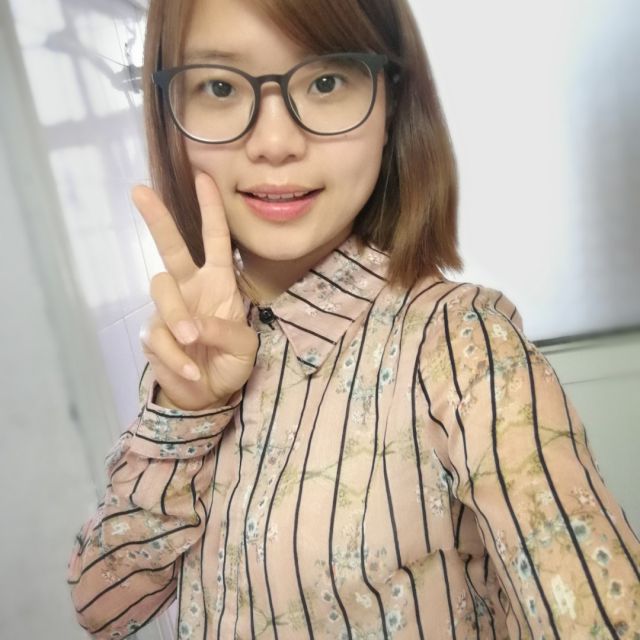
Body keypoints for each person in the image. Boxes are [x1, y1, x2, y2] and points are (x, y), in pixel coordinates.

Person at [67, 0, 640, 638]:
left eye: (326, 81)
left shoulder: (462, 345)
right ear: (170, 114)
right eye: (221, 87)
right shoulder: (193, 344)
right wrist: (186, 412)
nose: (275, 143)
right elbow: (102, 606)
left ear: (391, 104)